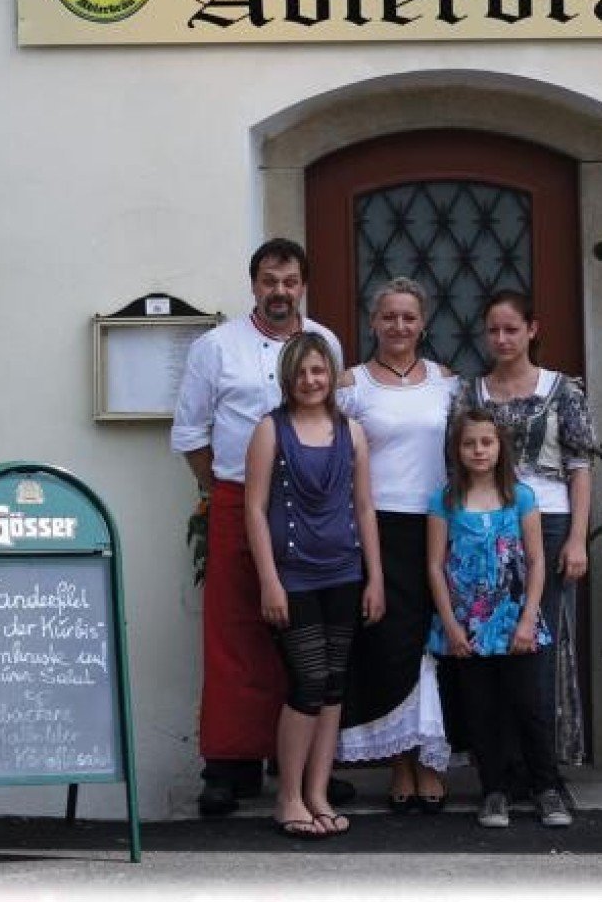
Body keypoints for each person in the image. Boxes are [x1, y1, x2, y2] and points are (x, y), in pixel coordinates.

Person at [170, 237, 354, 817]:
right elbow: (191, 437)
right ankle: (229, 765)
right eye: (269, 281)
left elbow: (337, 418)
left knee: (309, 633)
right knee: (236, 632)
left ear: (303, 285)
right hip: (237, 499)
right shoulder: (215, 347)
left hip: (314, 504)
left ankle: (297, 768)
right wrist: (228, 492)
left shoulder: (325, 343)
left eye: (290, 281)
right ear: (254, 285)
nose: (280, 292)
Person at [449, 290, 597, 776]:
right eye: (493, 330)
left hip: (548, 522)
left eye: (511, 329)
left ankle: (544, 764)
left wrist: (577, 537)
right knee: (490, 637)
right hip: (486, 523)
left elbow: (579, 465)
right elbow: (453, 460)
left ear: (532, 329)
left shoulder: (562, 389)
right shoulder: (472, 393)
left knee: (539, 638)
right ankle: (501, 764)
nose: (501, 338)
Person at [243, 332, 385, 837]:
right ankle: (287, 798)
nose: (310, 380)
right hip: (293, 577)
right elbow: (254, 510)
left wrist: (376, 578)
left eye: (319, 371)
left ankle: (317, 793)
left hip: (344, 573)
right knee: (306, 683)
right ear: (288, 378)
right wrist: (269, 581)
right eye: (301, 372)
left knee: (332, 686)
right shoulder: (269, 430)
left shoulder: (352, 432)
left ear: (332, 376)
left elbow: (365, 508)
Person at [334, 278, 460, 812]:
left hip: (436, 522)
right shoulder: (352, 384)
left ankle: (431, 761)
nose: (399, 327)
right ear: (373, 322)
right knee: (389, 644)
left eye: (409, 317)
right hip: (376, 525)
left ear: (423, 321)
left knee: (434, 641)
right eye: (389, 317)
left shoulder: (446, 382)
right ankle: (399, 763)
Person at [427, 409, 571, 829]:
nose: (478, 450)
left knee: (529, 704)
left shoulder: (521, 496)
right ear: (457, 449)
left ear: (499, 447)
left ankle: (546, 788)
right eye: (469, 443)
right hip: (467, 627)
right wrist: (450, 625)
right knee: (482, 709)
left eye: (486, 442)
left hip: (514, 623)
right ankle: (493, 791)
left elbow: (536, 560)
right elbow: (435, 566)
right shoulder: (445, 500)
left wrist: (528, 618)